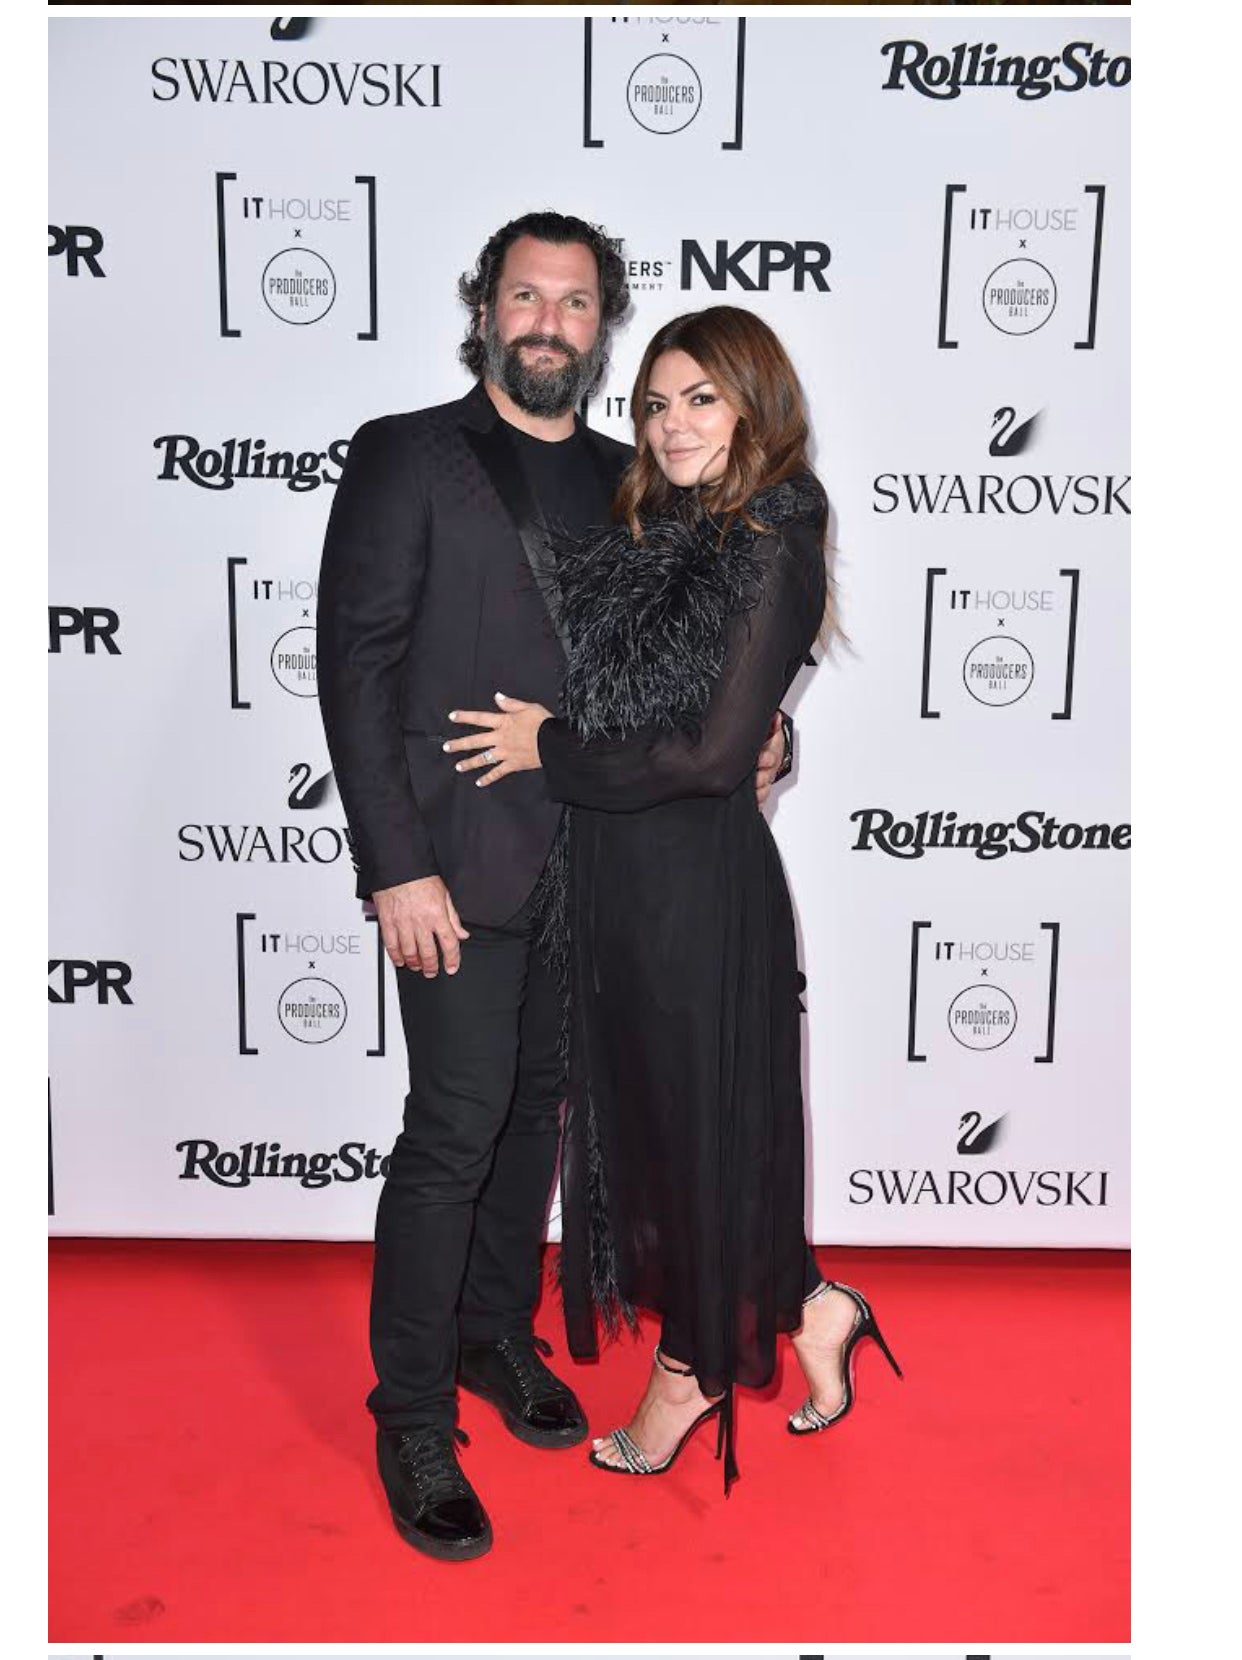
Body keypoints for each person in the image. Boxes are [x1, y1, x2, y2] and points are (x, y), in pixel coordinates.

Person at [316, 217, 789, 1559]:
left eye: (574, 303)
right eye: (525, 294)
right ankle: (411, 1414)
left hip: (600, 869)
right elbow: (356, 666)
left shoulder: (632, 479)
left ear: (602, 325)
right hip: (454, 869)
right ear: (485, 309)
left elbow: (700, 661)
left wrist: (769, 736)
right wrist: (394, 863)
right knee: (453, 1129)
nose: (547, 321)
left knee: (535, 1119)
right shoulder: (406, 453)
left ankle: (491, 1335)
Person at [444, 306, 901, 1490]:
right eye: (655, 403)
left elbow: (706, 753)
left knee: (697, 1134)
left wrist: (549, 747)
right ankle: (814, 1307)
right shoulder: (657, 526)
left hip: (697, 895)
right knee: (664, 1128)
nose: (673, 424)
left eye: (702, 398)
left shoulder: (775, 528)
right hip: (614, 886)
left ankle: (694, 1365)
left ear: (756, 405)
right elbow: (692, 707)